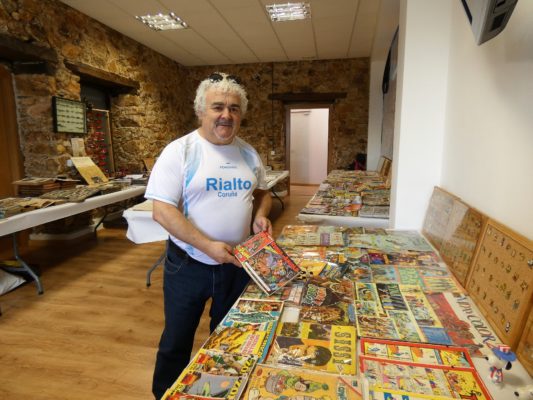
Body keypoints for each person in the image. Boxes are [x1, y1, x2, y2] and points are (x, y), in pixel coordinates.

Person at [145, 71, 272, 399]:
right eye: (218, 107)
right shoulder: (180, 151)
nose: (226, 115)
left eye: (234, 108)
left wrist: (260, 215)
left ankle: (220, 392)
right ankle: (164, 395)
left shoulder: (249, 153)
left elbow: (263, 193)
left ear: (241, 115)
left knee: (228, 336)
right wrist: (206, 246)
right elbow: (162, 211)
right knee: (177, 340)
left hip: (237, 264)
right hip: (188, 264)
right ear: (201, 111)